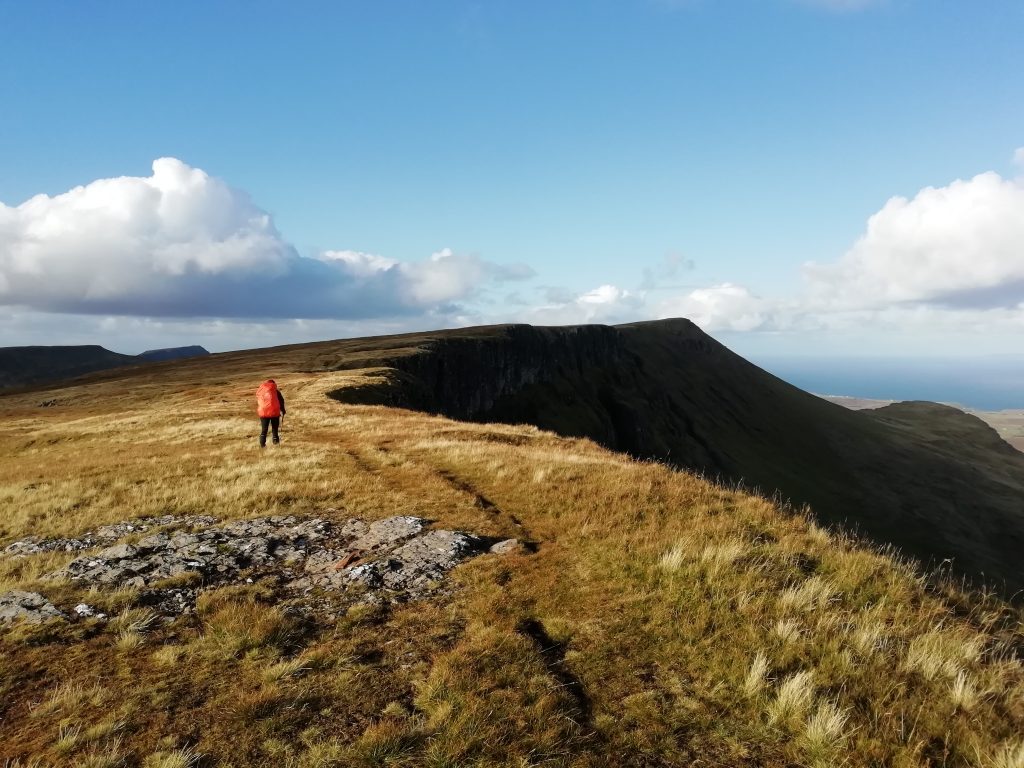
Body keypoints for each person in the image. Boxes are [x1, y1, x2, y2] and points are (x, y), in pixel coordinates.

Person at [256, 379, 286, 447]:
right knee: (275, 429)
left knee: (264, 430)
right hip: (274, 412)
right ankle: (276, 443)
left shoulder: (261, 391)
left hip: (263, 412)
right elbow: (281, 401)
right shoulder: (275, 391)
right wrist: (283, 410)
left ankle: (262, 445)